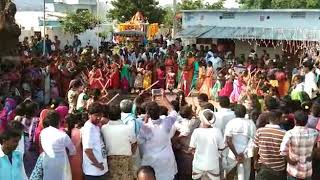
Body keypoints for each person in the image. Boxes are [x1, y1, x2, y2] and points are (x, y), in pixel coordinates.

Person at [138, 98, 178, 180]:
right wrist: (164, 98)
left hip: (151, 160)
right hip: (166, 160)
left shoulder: (145, 128)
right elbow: (173, 112)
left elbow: (140, 141)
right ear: (159, 111)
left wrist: (145, 120)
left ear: (148, 114)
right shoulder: (166, 122)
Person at [280, 110, 319, 180]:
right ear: (307, 121)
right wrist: (312, 154)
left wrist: (290, 161)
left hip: (294, 171)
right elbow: (315, 146)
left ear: (295, 120)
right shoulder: (314, 133)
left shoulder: (290, 134)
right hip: (308, 171)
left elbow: (283, 152)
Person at [101, 105, 136, 180]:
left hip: (110, 160)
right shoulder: (128, 128)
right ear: (120, 115)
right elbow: (134, 143)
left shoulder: (104, 129)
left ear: (108, 115)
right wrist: (131, 154)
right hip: (126, 160)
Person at [189, 109, 225, 180]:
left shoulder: (196, 132)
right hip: (213, 165)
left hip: (198, 165)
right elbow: (222, 147)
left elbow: (191, 148)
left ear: (202, 119)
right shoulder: (217, 131)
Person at [40, 110, 76, 180]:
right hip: (61, 165)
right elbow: (73, 151)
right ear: (59, 121)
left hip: (47, 162)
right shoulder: (63, 135)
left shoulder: (43, 132)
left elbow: (41, 146)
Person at [225, 104, 256, 180]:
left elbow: (228, 140)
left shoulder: (231, 123)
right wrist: (243, 154)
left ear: (235, 113)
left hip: (232, 155)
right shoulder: (251, 123)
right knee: (244, 176)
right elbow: (253, 141)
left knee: (230, 174)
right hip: (246, 156)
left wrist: (236, 155)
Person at [253, 111, 286, 180]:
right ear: (278, 119)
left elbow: (255, 148)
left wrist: (255, 160)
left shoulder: (260, 131)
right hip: (279, 168)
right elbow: (285, 152)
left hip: (263, 166)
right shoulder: (284, 133)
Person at [81, 103, 108, 180]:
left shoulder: (95, 125)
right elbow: (87, 150)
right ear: (89, 115)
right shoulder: (88, 129)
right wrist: (98, 165)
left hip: (99, 170)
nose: (99, 118)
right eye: (96, 115)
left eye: (100, 115)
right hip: (93, 172)